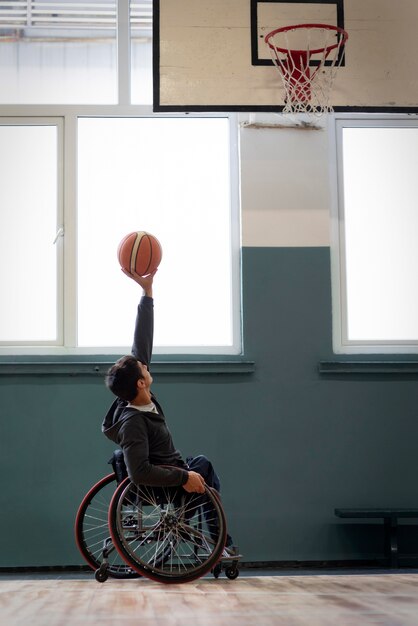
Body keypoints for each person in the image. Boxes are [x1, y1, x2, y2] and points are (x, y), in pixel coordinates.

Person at [102, 268, 236, 552]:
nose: (146, 364)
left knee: (200, 466)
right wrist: (183, 477)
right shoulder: (133, 422)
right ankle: (220, 541)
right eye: (143, 368)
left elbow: (141, 342)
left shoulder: (136, 396)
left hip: (171, 470)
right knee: (202, 466)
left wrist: (146, 293)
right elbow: (139, 473)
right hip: (162, 483)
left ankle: (209, 536)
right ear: (140, 382)